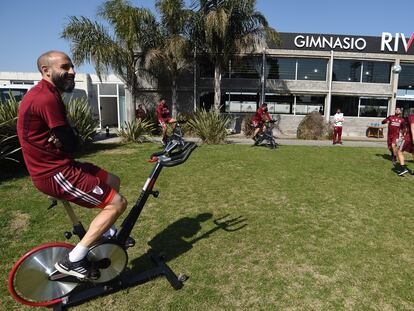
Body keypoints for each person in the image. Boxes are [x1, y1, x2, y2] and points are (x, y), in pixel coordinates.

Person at [17, 51, 128, 280]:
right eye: (65, 67)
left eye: (72, 67)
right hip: (54, 173)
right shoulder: (45, 98)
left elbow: (68, 138)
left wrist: (68, 135)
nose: (72, 72)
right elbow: (72, 143)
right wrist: (70, 135)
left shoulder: (47, 93)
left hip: (63, 165)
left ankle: (106, 236)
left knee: (113, 181)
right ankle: (74, 259)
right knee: (117, 203)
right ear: (46, 71)